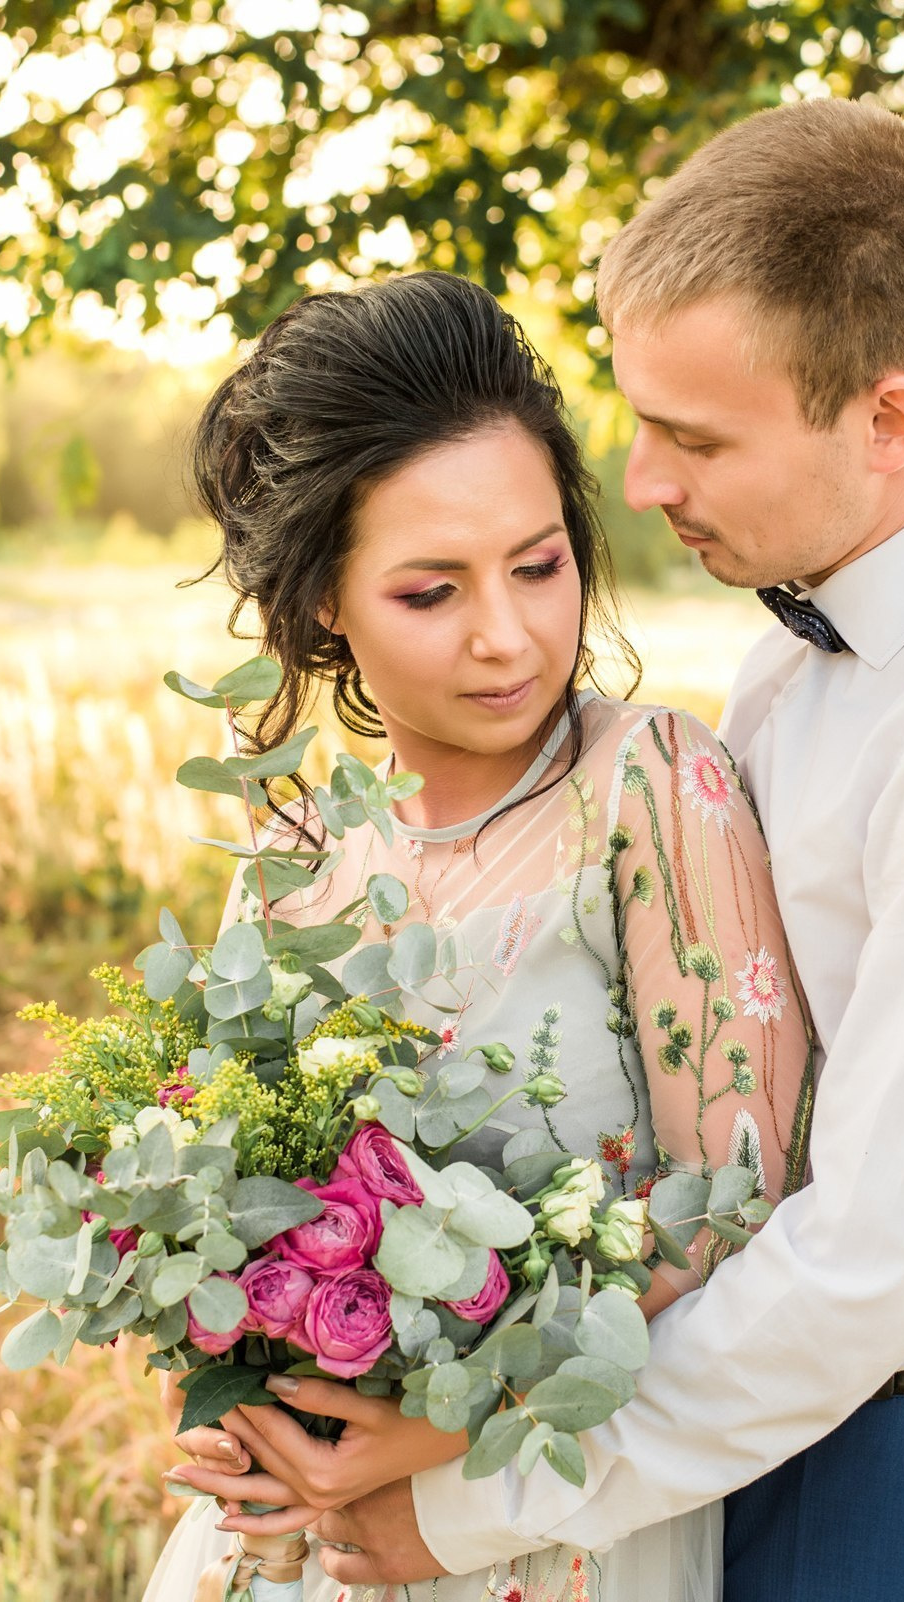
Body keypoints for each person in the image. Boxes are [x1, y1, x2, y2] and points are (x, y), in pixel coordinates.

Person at [226, 99, 904, 1601]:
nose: (636, 483)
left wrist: (463, 1506)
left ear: (889, 421)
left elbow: (878, 1253)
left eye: (694, 436)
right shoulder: (807, 654)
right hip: (757, 1441)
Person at [144, 269, 815, 1602]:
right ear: (326, 601)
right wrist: (235, 1378)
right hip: (293, 1539)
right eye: (429, 591)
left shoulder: (651, 790)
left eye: (539, 563)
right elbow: (210, 1198)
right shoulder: (289, 856)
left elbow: (738, 1201)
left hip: (547, 1513)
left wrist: (451, 1423)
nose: (507, 636)